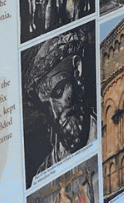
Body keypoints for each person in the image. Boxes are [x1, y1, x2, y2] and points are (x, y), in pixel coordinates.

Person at [25, 31, 97, 184]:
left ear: (77, 70)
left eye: (58, 92)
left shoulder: (111, 128)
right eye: (46, 106)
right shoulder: (43, 175)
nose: (55, 113)